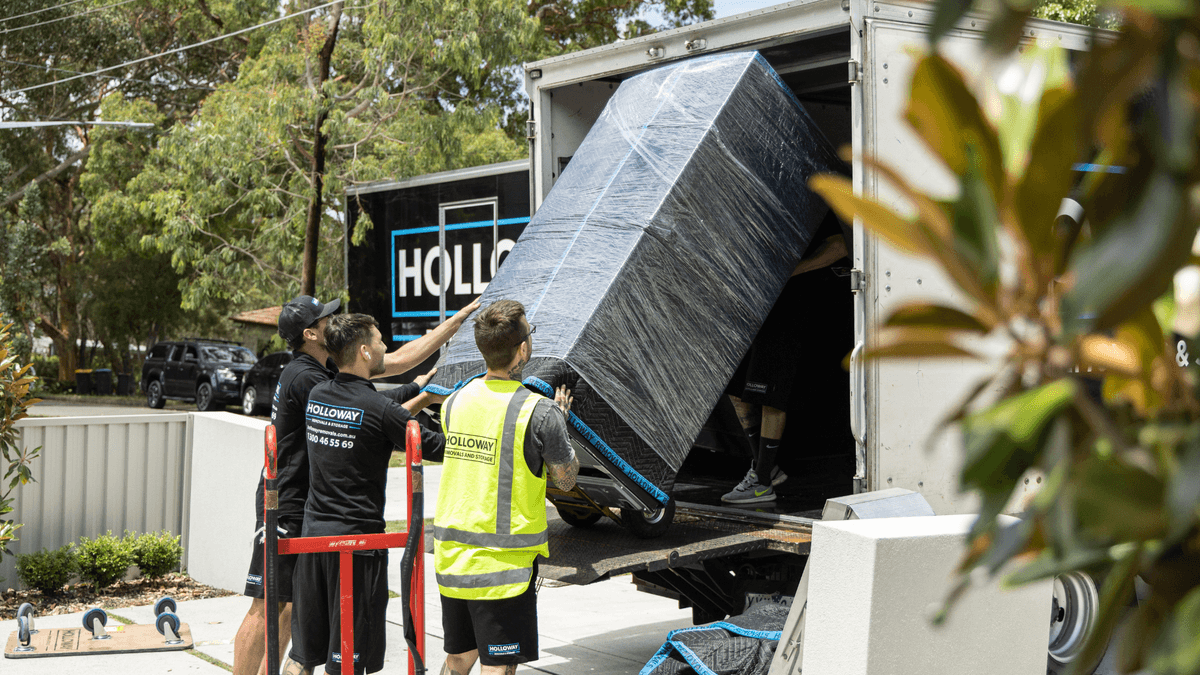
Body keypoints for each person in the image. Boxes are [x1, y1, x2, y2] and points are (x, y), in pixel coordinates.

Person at [233, 294, 479, 675]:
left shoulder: (321, 377)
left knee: (296, 622)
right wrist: (417, 401)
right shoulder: (308, 377)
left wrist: (451, 329)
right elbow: (369, 409)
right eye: (326, 318)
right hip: (288, 503)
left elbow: (383, 377)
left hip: (312, 512)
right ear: (310, 334)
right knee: (269, 606)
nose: (334, 320)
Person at [282, 313, 447, 675]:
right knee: (347, 662)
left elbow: (369, 406)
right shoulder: (378, 410)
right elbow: (435, 447)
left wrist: (418, 388)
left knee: (302, 655)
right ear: (365, 352)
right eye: (380, 341)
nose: (385, 347)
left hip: (313, 544)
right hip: (356, 549)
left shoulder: (318, 395)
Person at [436, 299, 579, 675]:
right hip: (504, 572)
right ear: (523, 349)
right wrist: (560, 428)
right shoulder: (540, 411)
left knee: (458, 659)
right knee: (498, 665)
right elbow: (566, 480)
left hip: (452, 560)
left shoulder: (453, 403)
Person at [722, 212, 850, 504]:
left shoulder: (809, 199)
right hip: (755, 307)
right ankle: (765, 467)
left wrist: (789, 272)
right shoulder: (760, 201)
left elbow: (840, 247)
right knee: (734, 386)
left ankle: (762, 483)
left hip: (791, 309)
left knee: (770, 393)